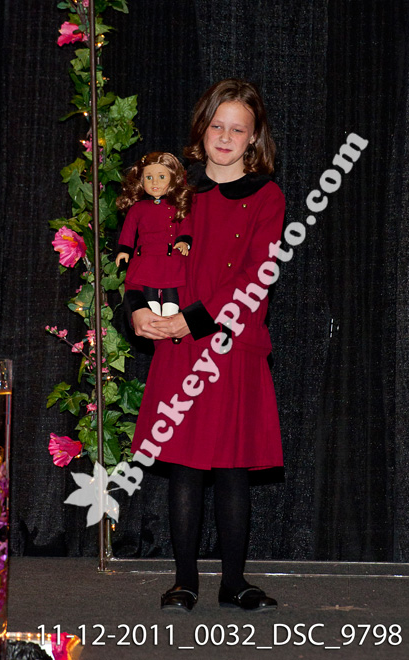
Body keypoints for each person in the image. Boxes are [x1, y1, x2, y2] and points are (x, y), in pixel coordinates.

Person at [125, 79, 286, 612]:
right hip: (179, 347)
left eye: (238, 129)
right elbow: (145, 256)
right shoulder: (174, 190)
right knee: (186, 468)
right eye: (218, 125)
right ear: (203, 128)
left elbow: (254, 277)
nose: (225, 136)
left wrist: (188, 320)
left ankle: (234, 582)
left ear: (254, 137)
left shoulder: (268, 197)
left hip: (230, 344)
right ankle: (184, 581)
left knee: (233, 469)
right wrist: (137, 309)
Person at [116, 152, 193, 317]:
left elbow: (186, 225)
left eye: (161, 177)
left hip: (170, 256)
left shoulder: (177, 206)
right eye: (149, 178)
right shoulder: (138, 208)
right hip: (146, 256)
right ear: (141, 180)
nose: (155, 182)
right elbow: (129, 230)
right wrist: (124, 250)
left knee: (171, 286)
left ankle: (170, 315)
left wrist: (184, 241)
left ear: (173, 179)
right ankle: (154, 315)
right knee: (148, 285)